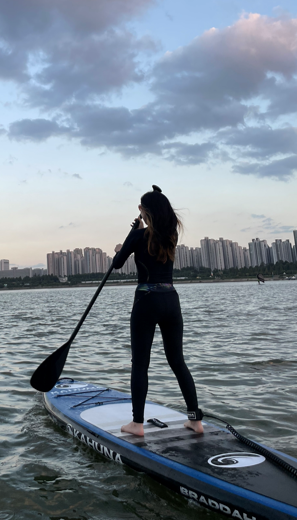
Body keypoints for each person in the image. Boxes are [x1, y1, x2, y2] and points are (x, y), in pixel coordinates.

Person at [112, 185, 203, 436]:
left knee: (140, 364)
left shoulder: (139, 236)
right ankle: (195, 420)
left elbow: (117, 264)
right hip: (171, 300)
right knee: (178, 362)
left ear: (145, 211)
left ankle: (137, 424)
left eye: (140, 208)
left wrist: (128, 239)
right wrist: (140, 227)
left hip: (146, 300)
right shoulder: (170, 234)